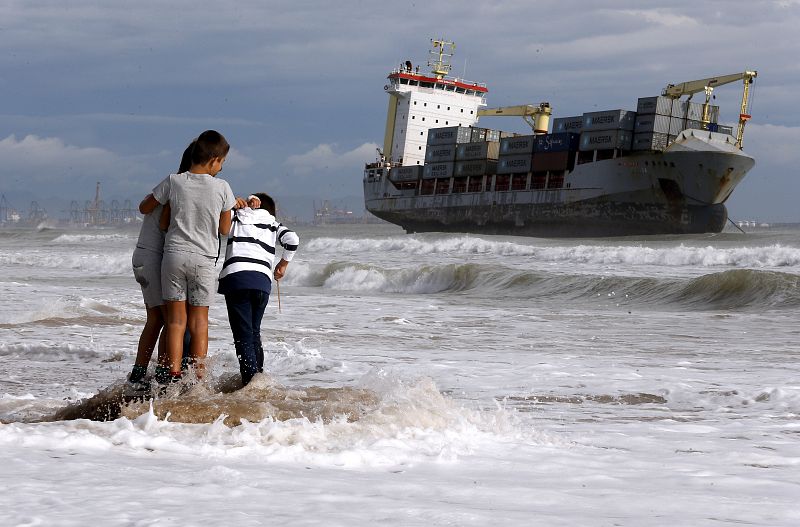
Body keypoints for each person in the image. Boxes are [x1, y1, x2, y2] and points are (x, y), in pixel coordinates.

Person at [142, 130, 247, 383]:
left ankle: (172, 373)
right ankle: (197, 379)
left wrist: (165, 203)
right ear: (213, 159)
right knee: (199, 322)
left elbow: (146, 208)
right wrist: (231, 209)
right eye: (221, 162)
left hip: (174, 257)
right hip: (203, 259)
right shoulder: (222, 187)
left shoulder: (173, 181)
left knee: (176, 321)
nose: (220, 168)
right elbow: (223, 230)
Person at [126, 141, 196, 389]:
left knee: (156, 318)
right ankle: (161, 373)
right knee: (167, 318)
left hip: (144, 256)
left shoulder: (173, 186)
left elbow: (145, 208)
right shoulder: (176, 187)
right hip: (152, 256)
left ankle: (141, 374)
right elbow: (146, 208)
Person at [217, 193, 299, 386]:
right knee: (254, 332)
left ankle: (249, 383)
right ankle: (258, 379)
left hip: (237, 278)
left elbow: (220, 225)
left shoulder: (238, 216)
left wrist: (233, 204)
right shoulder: (273, 223)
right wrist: (283, 264)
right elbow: (293, 239)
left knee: (243, 335)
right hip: (262, 281)